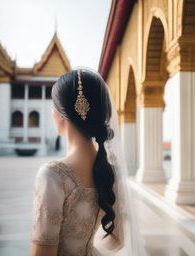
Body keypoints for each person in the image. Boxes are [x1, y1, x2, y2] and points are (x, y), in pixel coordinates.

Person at [30, 67, 149, 256]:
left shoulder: (52, 176)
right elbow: (117, 240)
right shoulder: (110, 171)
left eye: (54, 105)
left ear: (61, 114)